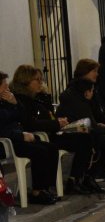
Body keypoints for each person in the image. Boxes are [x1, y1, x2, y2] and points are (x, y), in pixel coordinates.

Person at [10, 64, 100, 195]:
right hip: (42, 135)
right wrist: (56, 124)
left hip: (52, 132)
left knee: (89, 135)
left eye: (41, 80)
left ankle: (78, 178)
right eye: (38, 80)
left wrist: (45, 95)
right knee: (82, 140)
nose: (41, 83)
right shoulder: (22, 100)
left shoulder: (36, 98)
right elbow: (31, 123)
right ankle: (60, 184)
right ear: (26, 81)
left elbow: (49, 114)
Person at [0, 71, 59, 204]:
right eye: (4, 85)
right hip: (8, 143)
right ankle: (37, 192)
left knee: (51, 147)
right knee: (40, 151)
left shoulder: (7, 101)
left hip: (18, 138)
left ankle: (46, 187)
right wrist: (20, 135)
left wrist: (15, 103)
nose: (7, 88)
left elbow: (23, 118)